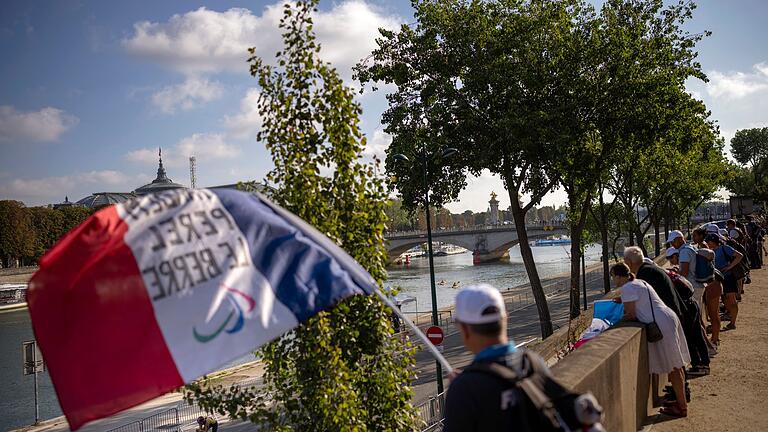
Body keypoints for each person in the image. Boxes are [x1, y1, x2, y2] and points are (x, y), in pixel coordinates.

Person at [443, 284, 602, 431]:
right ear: (505, 319)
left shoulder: (465, 389)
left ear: (464, 329)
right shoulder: (532, 362)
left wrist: (461, 387)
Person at [611, 263, 690, 417]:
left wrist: (614, 323)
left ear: (619, 276)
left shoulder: (627, 288)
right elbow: (638, 297)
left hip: (661, 324)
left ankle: (682, 407)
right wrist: (622, 300)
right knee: (676, 365)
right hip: (668, 318)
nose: (614, 280)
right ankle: (681, 402)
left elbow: (631, 315)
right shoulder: (639, 282)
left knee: (673, 367)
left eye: (614, 277)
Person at [705, 233, 743, 330]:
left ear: (713, 242)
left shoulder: (724, 248)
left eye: (708, 241)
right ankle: (725, 319)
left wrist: (729, 267)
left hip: (728, 277)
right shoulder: (710, 250)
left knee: (732, 300)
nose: (707, 243)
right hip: (718, 279)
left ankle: (733, 323)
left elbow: (739, 256)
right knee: (725, 301)